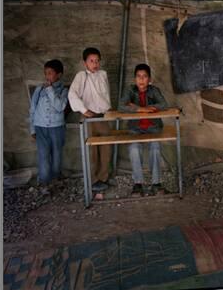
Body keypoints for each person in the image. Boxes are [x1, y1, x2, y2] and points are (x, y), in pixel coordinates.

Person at [118, 63, 168, 196]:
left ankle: (156, 184)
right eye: (138, 76)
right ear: (134, 79)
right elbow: (121, 106)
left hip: (153, 128)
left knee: (155, 148)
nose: (141, 80)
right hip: (135, 128)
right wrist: (140, 109)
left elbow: (163, 104)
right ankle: (138, 184)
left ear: (149, 79)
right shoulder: (130, 90)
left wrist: (142, 106)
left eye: (145, 76)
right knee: (134, 149)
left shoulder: (154, 90)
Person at [68, 47, 113, 192]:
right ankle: (93, 181)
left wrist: (108, 108)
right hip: (89, 118)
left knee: (106, 149)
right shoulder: (81, 76)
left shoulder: (103, 75)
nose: (95, 64)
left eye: (97, 61)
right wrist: (84, 110)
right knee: (92, 151)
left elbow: (105, 95)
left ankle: (103, 178)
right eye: (91, 61)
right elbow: (72, 94)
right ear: (85, 63)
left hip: (103, 116)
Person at [29, 59, 69, 193]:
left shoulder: (64, 90)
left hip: (57, 128)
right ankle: (44, 182)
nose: (47, 76)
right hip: (40, 127)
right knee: (43, 155)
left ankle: (56, 179)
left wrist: (51, 90)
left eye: (50, 73)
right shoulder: (39, 89)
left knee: (57, 155)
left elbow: (60, 107)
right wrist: (32, 128)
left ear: (59, 75)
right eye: (46, 73)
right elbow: (33, 109)